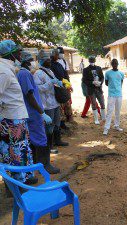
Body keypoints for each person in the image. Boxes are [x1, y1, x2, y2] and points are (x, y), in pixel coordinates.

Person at [17, 51, 60, 174]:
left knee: (35, 139)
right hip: (34, 113)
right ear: (26, 61)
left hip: (33, 112)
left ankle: (37, 165)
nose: (33, 62)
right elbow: (30, 95)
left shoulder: (24, 73)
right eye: (31, 60)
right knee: (41, 139)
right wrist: (41, 113)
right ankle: (45, 166)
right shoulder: (24, 74)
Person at [0, 40, 36, 184]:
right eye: (18, 52)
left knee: (21, 149)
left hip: (16, 118)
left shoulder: (7, 68)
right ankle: (17, 184)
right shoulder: (2, 71)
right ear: (10, 54)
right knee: (14, 152)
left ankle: (24, 178)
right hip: (11, 119)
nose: (20, 55)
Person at [35, 50, 69, 151]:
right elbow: (38, 89)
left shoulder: (50, 71)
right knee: (49, 126)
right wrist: (50, 83)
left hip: (55, 102)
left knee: (56, 123)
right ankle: (49, 146)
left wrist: (59, 83)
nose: (49, 62)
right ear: (41, 61)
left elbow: (54, 83)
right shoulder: (38, 74)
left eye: (49, 60)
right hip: (46, 104)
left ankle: (57, 140)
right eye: (47, 60)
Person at [51, 48, 73, 128]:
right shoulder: (50, 65)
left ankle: (66, 120)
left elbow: (65, 75)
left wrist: (68, 84)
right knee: (59, 106)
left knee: (66, 103)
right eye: (57, 54)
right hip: (56, 88)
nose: (58, 56)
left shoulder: (60, 64)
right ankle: (61, 124)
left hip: (63, 86)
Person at [103, 59, 124, 135]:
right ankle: (106, 128)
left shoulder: (121, 73)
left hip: (119, 95)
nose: (114, 64)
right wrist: (113, 87)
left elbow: (121, 83)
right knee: (109, 111)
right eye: (113, 63)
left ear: (117, 64)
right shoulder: (107, 73)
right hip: (111, 95)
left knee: (117, 111)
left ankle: (117, 125)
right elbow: (106, 83)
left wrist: (117, 88)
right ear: (111, 64)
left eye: (115, 63)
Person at [82, 56, 106, 124]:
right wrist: (92, 82)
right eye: (91, 61)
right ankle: (96, 120)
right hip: (91, 90)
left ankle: (103, 117)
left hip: (99, 89)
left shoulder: (99, 68)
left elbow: (102, 77)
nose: (92, 62)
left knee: (102, 103)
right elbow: (84, 80)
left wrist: (100, 83)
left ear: (95, 61)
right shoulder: (85, 70)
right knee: (94, 104)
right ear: (89, 61)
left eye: (93, 60)